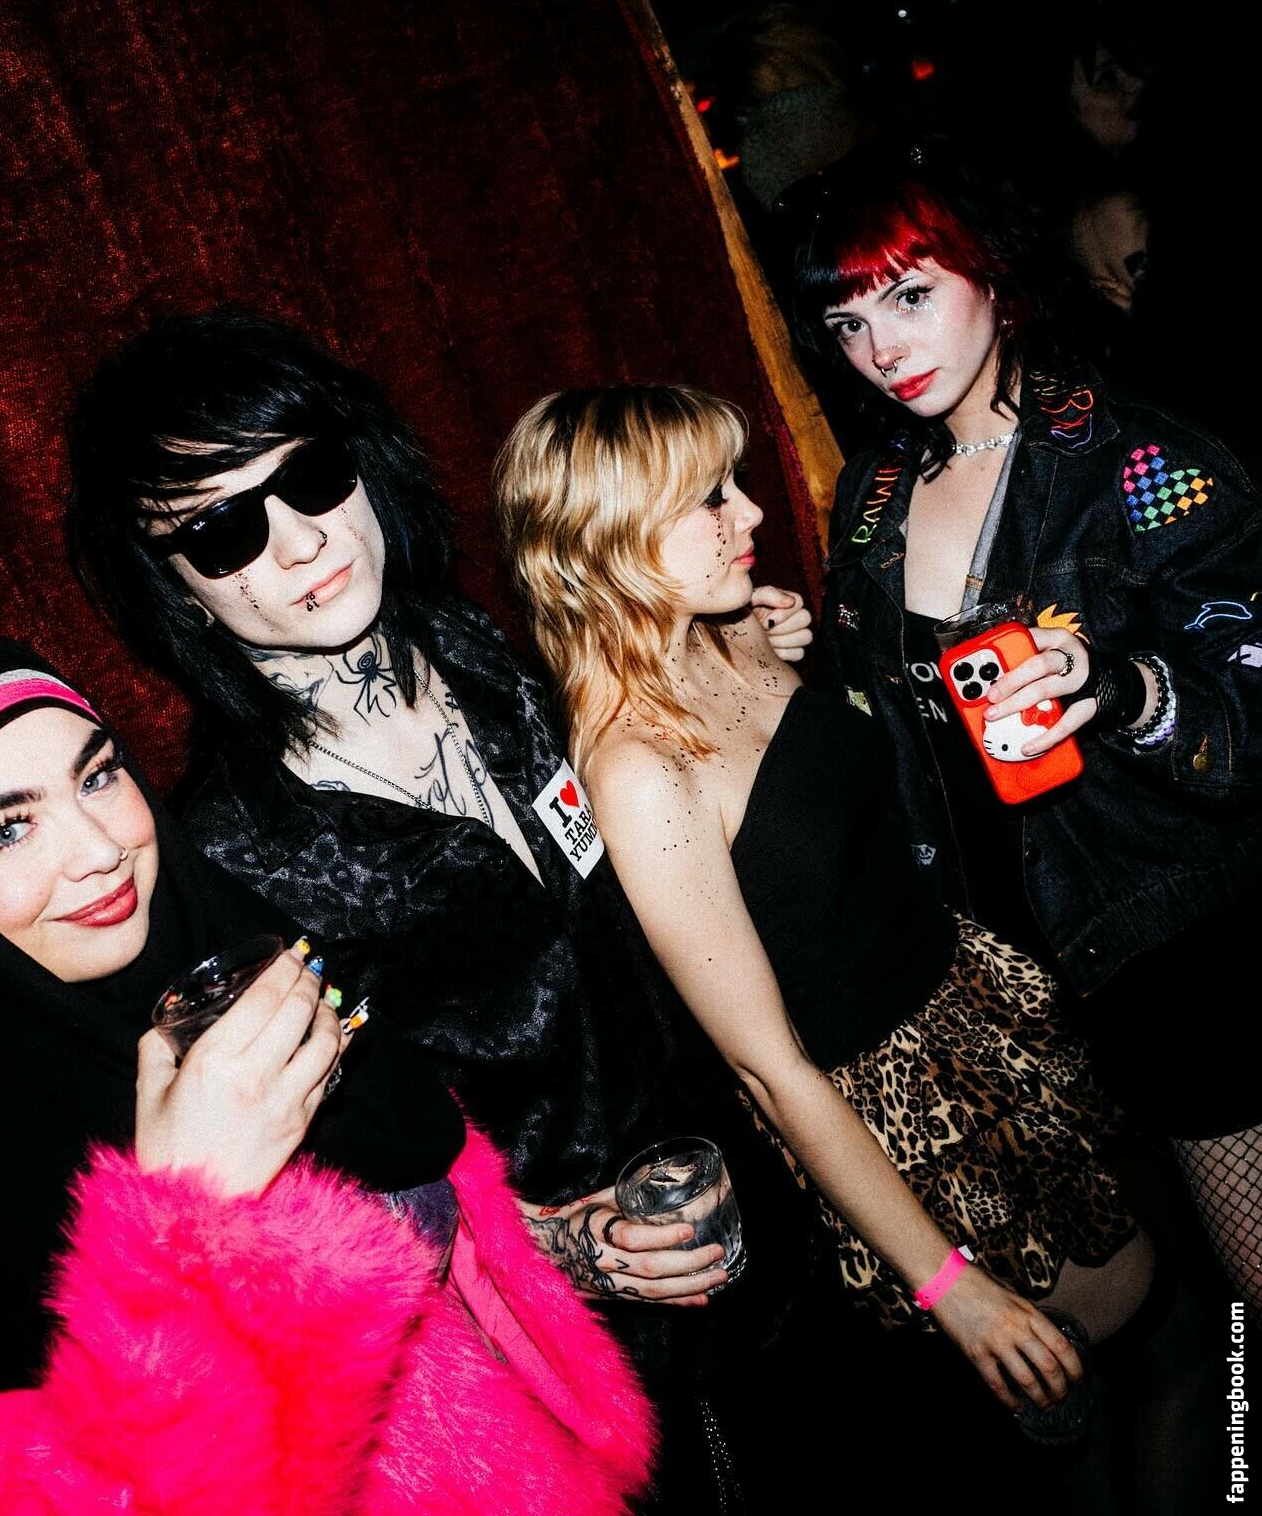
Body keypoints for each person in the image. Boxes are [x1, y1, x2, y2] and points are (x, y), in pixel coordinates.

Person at [67, 309, 820, 1507]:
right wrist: (568, 1247)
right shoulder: (233, 852)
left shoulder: (473, 648)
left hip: (758, 1184)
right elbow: (337, 1185)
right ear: (179, 591)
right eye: (222, 531)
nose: (302, 541)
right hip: (589, 1339)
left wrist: (729, 650)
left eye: (312, 476)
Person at [0, 627, 655, 1512]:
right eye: (6, 830)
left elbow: (411, 1241)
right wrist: (190, 1219)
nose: (100, 849)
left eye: (97, 775)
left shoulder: (207, 966)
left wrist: (569, 1248)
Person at [494, 383, 1157, 1416]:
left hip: (969, 1012)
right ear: (611, 541)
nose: (752, 511)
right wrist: (949, 1287)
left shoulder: (726, 631)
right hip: (895, 1122)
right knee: (1112, 1349)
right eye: (711, 498)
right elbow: (768, 1067)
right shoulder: (638, 769)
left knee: (1143, 1346)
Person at [771, 136, 1262, 1316]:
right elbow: (897, 737)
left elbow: (1248, 710)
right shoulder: (874, 495)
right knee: (1168, 1287)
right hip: (1028, 972)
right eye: (847, 323)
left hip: (1184, 940)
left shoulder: (1138, 462)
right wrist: (793, 655)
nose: (882, 351)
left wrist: (1124, 689)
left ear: (990, 269)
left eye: (908, 296)